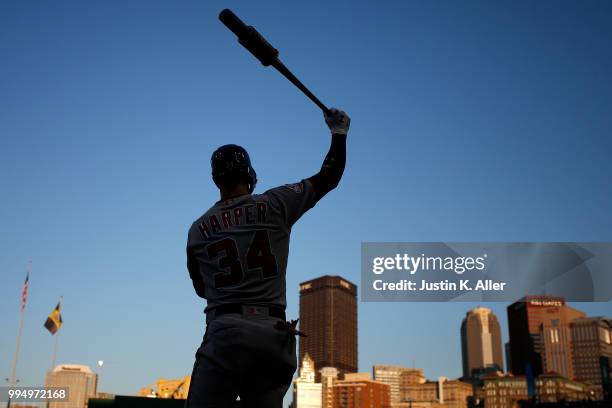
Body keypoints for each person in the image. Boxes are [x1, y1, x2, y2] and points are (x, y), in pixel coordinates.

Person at [185, 108, 350, 407]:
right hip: (275, 335)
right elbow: (330, 176)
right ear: (249, 174)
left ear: (215, 179)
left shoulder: (198, 230)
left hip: (227, 330)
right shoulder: (276, 202)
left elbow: (201, 290)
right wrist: (339, 133)